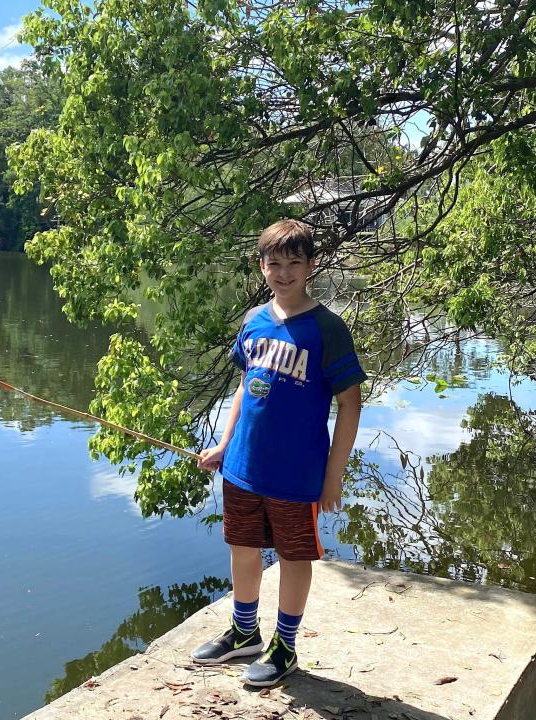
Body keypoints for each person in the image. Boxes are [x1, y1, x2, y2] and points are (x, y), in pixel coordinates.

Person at [192, 219, 366, 687]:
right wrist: (225, 446)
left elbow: (350, 404)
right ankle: (245, 631)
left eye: (293, 263)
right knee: (242, 549)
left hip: (297, 472)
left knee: (294, 556)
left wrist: (334, 477)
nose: (283, 273)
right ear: (261, 265)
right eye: (274, 263)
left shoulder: (327, 328)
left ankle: (285, 647)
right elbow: (243, 389)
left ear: (311, 266)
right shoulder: (254, 321)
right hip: (244, 466)